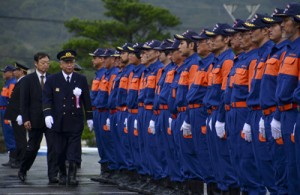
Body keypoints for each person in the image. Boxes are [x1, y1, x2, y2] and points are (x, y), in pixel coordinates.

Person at [42, 49, 93, 186]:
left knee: (73, 150)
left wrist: (89, 117)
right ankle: (62, 174)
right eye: (66, 62)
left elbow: (86, 100)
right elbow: (47, 99)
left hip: (75, 121)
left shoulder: (80, 79)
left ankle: (72, 175)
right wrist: (47, 114)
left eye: (71, 62)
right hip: (58, 121)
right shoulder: (53, 79)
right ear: (61, 64)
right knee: (59, 151)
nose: (69, 65)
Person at [18, 52, 58, 184]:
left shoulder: (53, 79)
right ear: (36, 63)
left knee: (53, 147)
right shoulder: (27, 80)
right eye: (43, 63)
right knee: (33, 147)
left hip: (50, 119)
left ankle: (53, 174)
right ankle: (23, 169)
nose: (46, 65)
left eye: (47, 63)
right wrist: (26, 118)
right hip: (34, 119)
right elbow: (24, 101)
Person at [275, 3, 300, 194]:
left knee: (295, 168)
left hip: (294, 112)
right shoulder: (289, 50)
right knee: (287, 166)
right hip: (284, 113)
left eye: (286, 21)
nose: (283, 25)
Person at [4, 62, 29, 168]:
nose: (14, 72)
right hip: (15, 114)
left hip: (19, 115)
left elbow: (23, 100)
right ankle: (19, 159)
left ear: (21, 71)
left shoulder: (23, 82)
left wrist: (21, 114)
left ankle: (21, 160)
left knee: (20, 138)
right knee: (18, 138)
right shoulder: (19, 81)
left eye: (16, 70)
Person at [0, 65, 17, 167]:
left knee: (10, 134)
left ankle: (14, 159)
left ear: (11, 73)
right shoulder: (7, 83)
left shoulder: (12, 84)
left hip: (7, 112)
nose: (3, 73)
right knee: (7, 135)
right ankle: (11, 158)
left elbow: (11, 101)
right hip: (3, 111)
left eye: (5, 72)